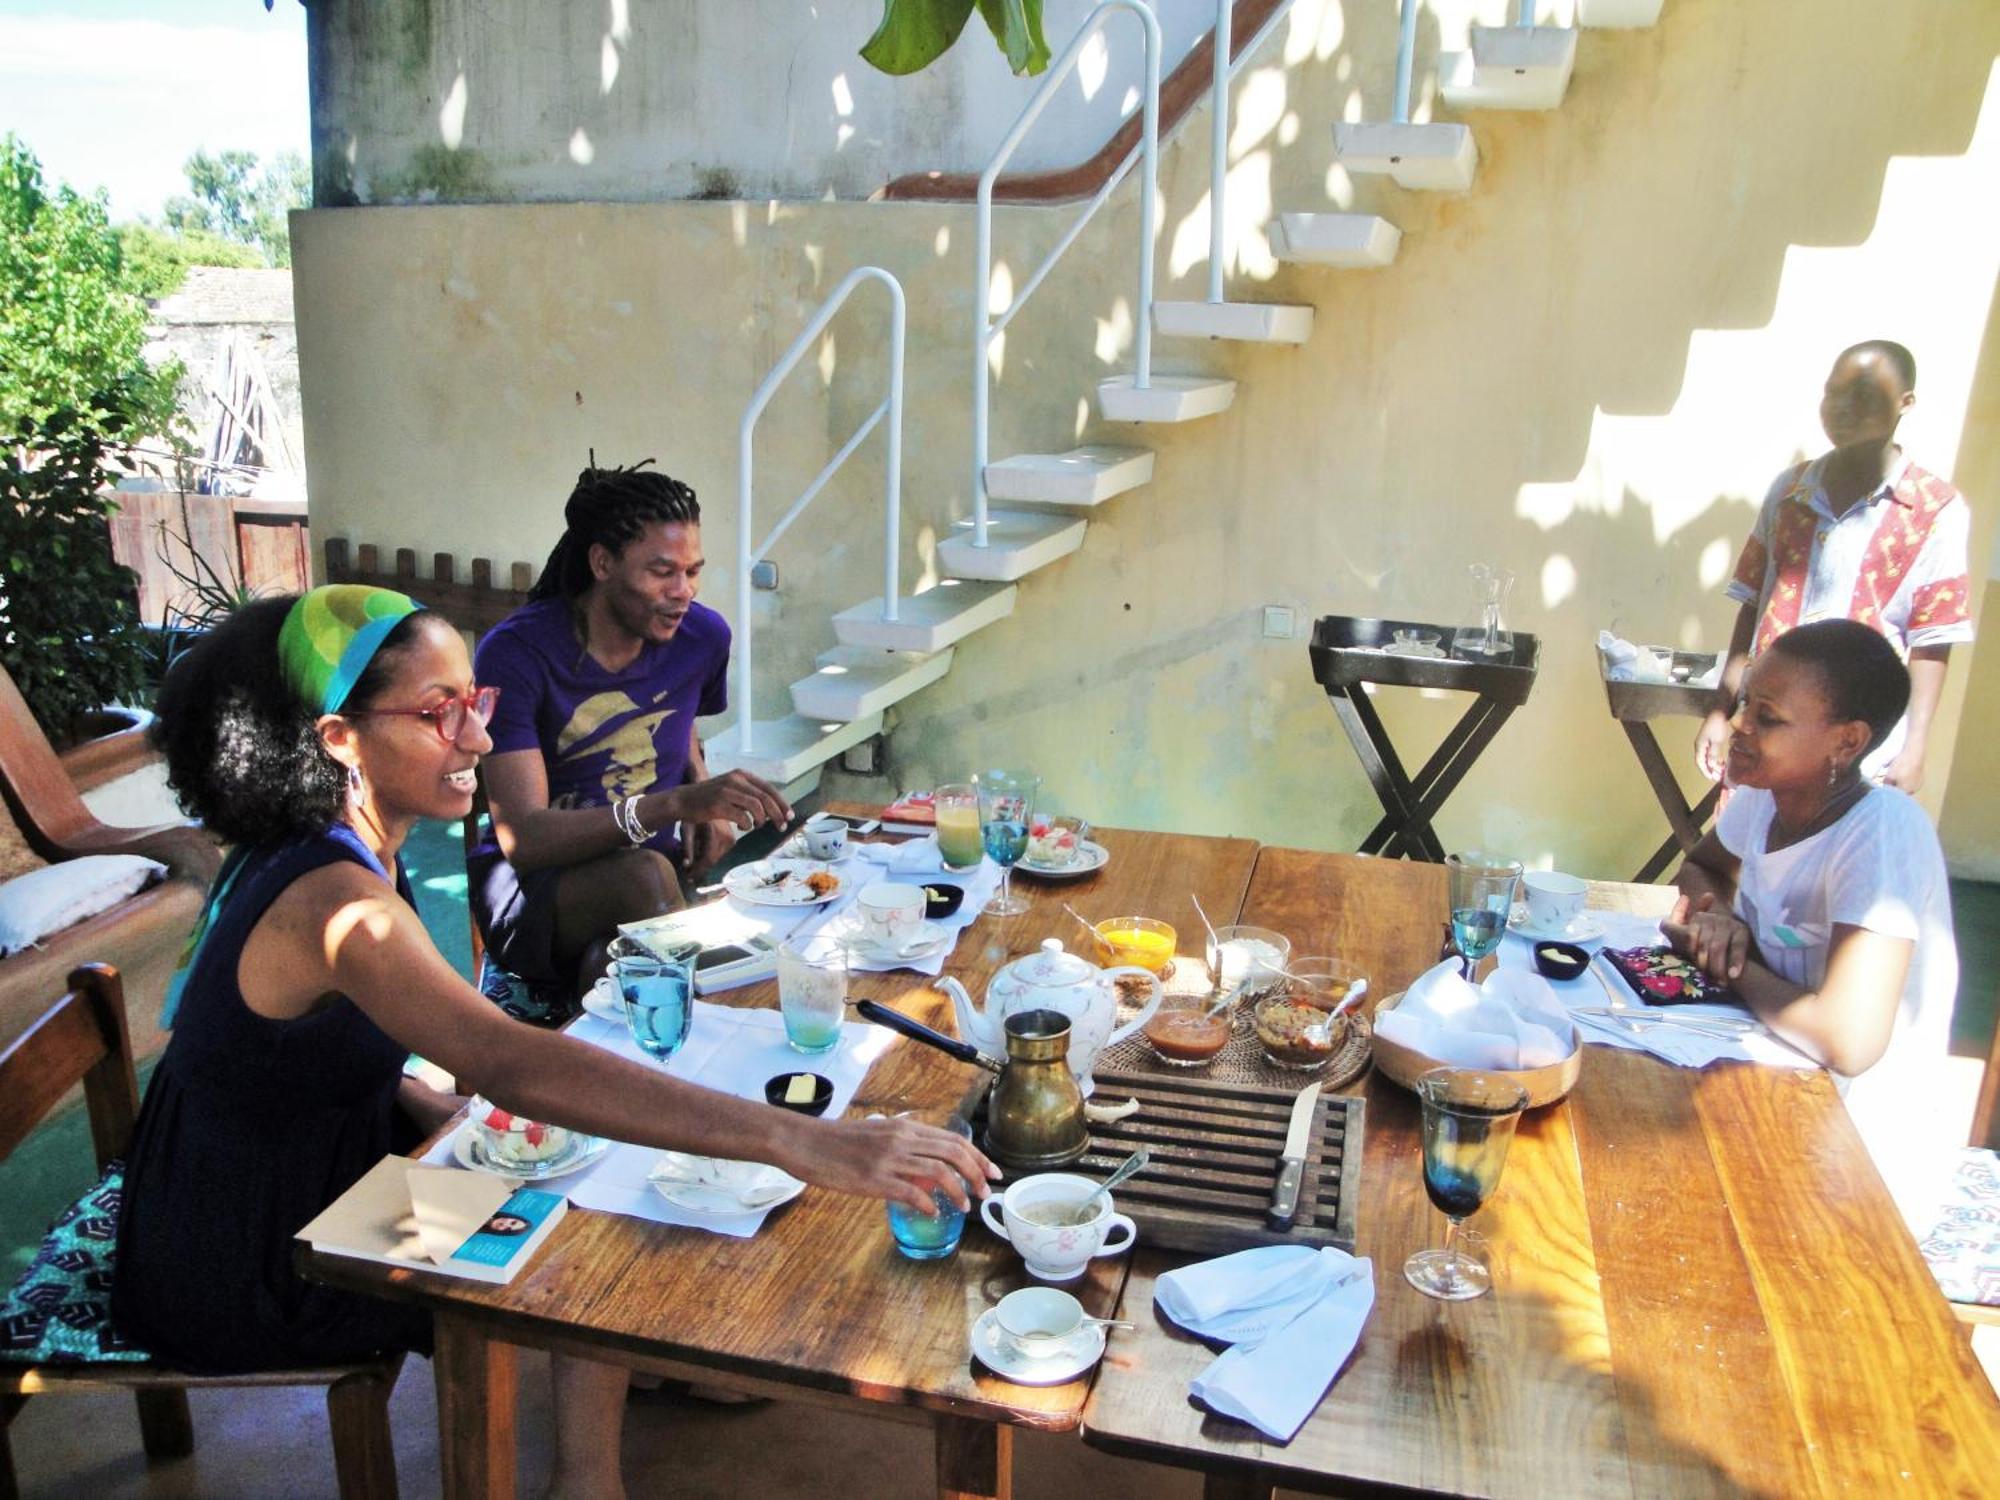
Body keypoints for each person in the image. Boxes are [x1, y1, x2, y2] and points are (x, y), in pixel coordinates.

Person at [112, 586, 995, 1500]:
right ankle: (586, 1472)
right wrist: (809, 1141)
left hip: (281, 1172)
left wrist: (422, 1099)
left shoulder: (338, 842)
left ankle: (607, 1428)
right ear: (338, 738)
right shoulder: (338, 902)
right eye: (437, 712)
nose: (478, 739)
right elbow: (513, 1059)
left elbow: (279, 1056)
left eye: (475, 701)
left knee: (597, 1153)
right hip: (250, 1251)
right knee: (593, 1207)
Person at [469, 458, 790, 1018]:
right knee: (645, 880)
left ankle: (608, 1042)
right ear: (602, 562)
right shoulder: (518, 653)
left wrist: (703, 798)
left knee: (610, 962)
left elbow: (680, 720)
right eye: (661, 572)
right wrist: (673, 804)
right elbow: (525, 838)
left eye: (693, 571)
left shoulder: (702, 637)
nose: (683, 591)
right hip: (535, 892)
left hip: (654, 872)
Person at [1669, 619, 1959, 1230]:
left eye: (1768, 718)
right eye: (1746, 703)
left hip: (1859, 1161)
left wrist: (1730, 961)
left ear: (1847, 742)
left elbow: (1848, 1042)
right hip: (1776, 1082)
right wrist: (1717, 918)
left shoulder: (1880, 834)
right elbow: (1698, 869)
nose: (1740, 726)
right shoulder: (1766, 793)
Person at [1695, 340, 1974, 793]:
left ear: (1906, 403)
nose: (1841, 409)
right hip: (1767, 733)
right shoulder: (1790, 491)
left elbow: (1932, 640)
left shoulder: (1934, 509)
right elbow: (1751, 606)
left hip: (1857, 749)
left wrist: (1916, 745)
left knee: (1835, 857)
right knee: (1743, 855)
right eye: (1832, 394)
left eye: (1862, 395)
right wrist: (1720, 710)